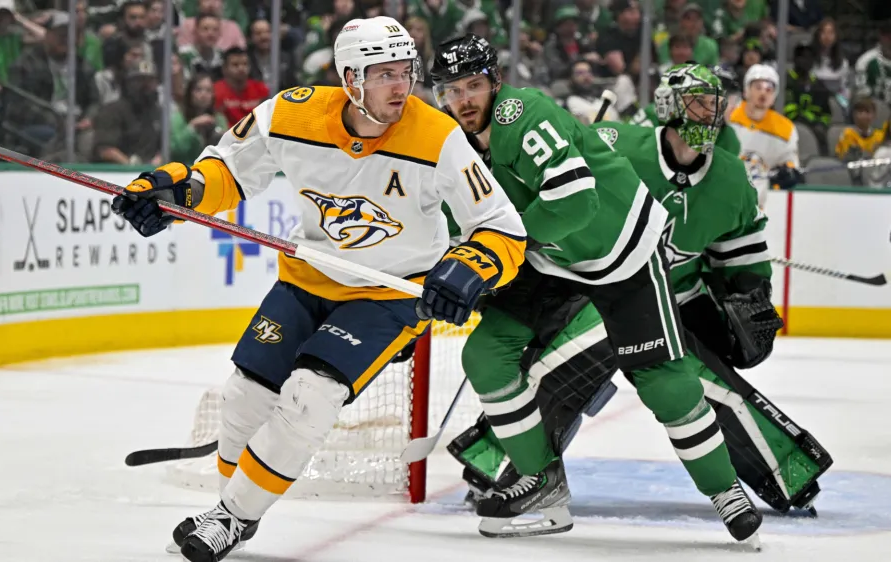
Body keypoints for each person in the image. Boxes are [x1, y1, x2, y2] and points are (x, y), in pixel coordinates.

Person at [111, 16, 526, 561]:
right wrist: (178, 194)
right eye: (383, 74)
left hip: (389, 292)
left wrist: (471, 264)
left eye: (405, 71)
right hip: (308, 278)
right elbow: (227, 172)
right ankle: (235, 509)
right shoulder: (291, 113)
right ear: (350, 78)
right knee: (244, 400)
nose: (401, 86)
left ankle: (232, 517)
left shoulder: (438, 137)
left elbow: (501, 224)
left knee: (311, 397)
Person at [449, 63, 830, 531]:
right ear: (670, 105)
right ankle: (502, 468)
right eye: (698, 102)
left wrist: (748, 293)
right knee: (546, 364)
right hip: (571, 275)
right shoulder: (621, 144)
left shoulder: (731, 178)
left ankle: (751, 482)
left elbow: (740, 252)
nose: (709, 114)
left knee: (675, 381)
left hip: (654, 285)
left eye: (715, 104)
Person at [729, 63, 802, 206]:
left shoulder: (785, 129)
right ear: (746, 91)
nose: (763, 93)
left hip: (756, 205)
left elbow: (790, 166)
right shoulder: (728, 116)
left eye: (769, 89)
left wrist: (788, 173)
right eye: (757, 87)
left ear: (774, 96)